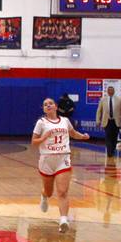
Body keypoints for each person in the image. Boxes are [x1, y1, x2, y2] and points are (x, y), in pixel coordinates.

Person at [32, 98, 90, 232]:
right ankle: (44, 196)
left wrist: (83, 136)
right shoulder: (41, 123)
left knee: (62, 191)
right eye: (45, 104)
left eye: (50, 103)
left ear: (56, 106)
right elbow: (34, 142)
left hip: (63, 158)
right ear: (43, 109)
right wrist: (44, 137)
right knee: (49, 191)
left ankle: (63, 220)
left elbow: (73, 133)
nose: (48, 106)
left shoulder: (65, 121)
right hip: (47, 159)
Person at [95, 86, 121, 157]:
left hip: (116, 121)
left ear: (114, 91)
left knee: (114, 137)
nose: (110, 91)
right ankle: (109, 152)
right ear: (107, 91)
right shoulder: (103, 100)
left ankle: (113, 150)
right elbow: (99, 111)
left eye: (112, 90)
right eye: (109, 90)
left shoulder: (119, 99)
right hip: (107, 121)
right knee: (108, 136)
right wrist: (98, 120)